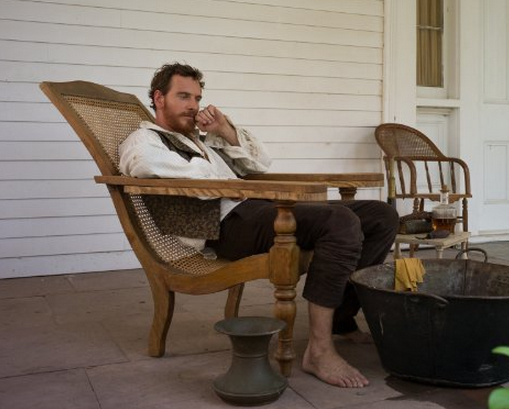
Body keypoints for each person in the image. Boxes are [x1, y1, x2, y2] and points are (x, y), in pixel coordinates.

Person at [119, 63, 399, 388]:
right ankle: (319, 351)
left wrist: (225, 131)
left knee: (382, 216)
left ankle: (340, 316)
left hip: (258, 209)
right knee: (341, 221)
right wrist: (226, 180)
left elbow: (261, 162)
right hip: (223, 226)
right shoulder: (144, 141)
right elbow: (144, 165)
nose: (193, 106)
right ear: (159, 98)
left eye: (197, 98)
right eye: (183, 96)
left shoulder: (201, 142)